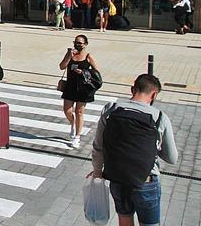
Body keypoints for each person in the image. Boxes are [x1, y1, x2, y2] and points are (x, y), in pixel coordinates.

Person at [90, 74, 178, 226]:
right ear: (154, 94)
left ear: (132, 89)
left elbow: (99, 146)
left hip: (117, 178)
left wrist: (97, 170)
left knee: (124, 220)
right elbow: (172, 158)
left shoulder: (110, 109)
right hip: (146, 181)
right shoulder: (160, 117)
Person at [59, 34, 101, 148]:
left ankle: (77, 136)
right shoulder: (70, 54)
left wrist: (83, 72)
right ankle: (73, 123)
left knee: (79, 112)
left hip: (83, 87)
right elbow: (62, 66)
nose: (77, 44)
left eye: (80, 43)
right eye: (75, 42)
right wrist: (69, 56)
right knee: (67, 110)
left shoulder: (89, 56)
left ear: (85, 44)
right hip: (70, 86)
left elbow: (97, 73)